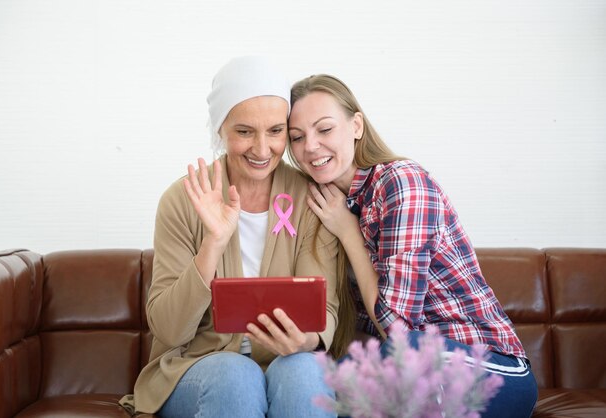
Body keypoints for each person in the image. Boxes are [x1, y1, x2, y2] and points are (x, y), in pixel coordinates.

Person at [286, 74, 538, 418]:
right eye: (297, 137)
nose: (310, 146)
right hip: (412, 370)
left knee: (400, 358)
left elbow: (397, 328)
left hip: (494, 370)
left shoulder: (401, 182)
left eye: (324, 129)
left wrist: (349, 233)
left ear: (356, 125)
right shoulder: (328, 205)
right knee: (315, 377)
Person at [119, 57, 341, 418]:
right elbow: (169, 328)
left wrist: (307, 340)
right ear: (220, 129)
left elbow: (324, 308)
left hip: (285, 363)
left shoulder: (311, 196)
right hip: (199, 368)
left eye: (275, 131)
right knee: (236, 375)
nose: (262, 148)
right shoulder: (180, 201)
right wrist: (214, 242)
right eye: (244, 131)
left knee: (305, 370)